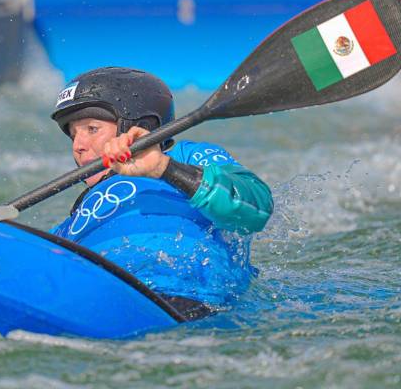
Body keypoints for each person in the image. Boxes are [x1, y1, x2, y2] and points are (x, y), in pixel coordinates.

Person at [49, 66, 273, 315]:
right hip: (103, 303)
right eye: (73, 135)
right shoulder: (75, 219)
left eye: (92, 129)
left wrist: (164, 168)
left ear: (136, 125)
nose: (78, 146)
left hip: (192, 304)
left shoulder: (186, 157)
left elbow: (256, 207)